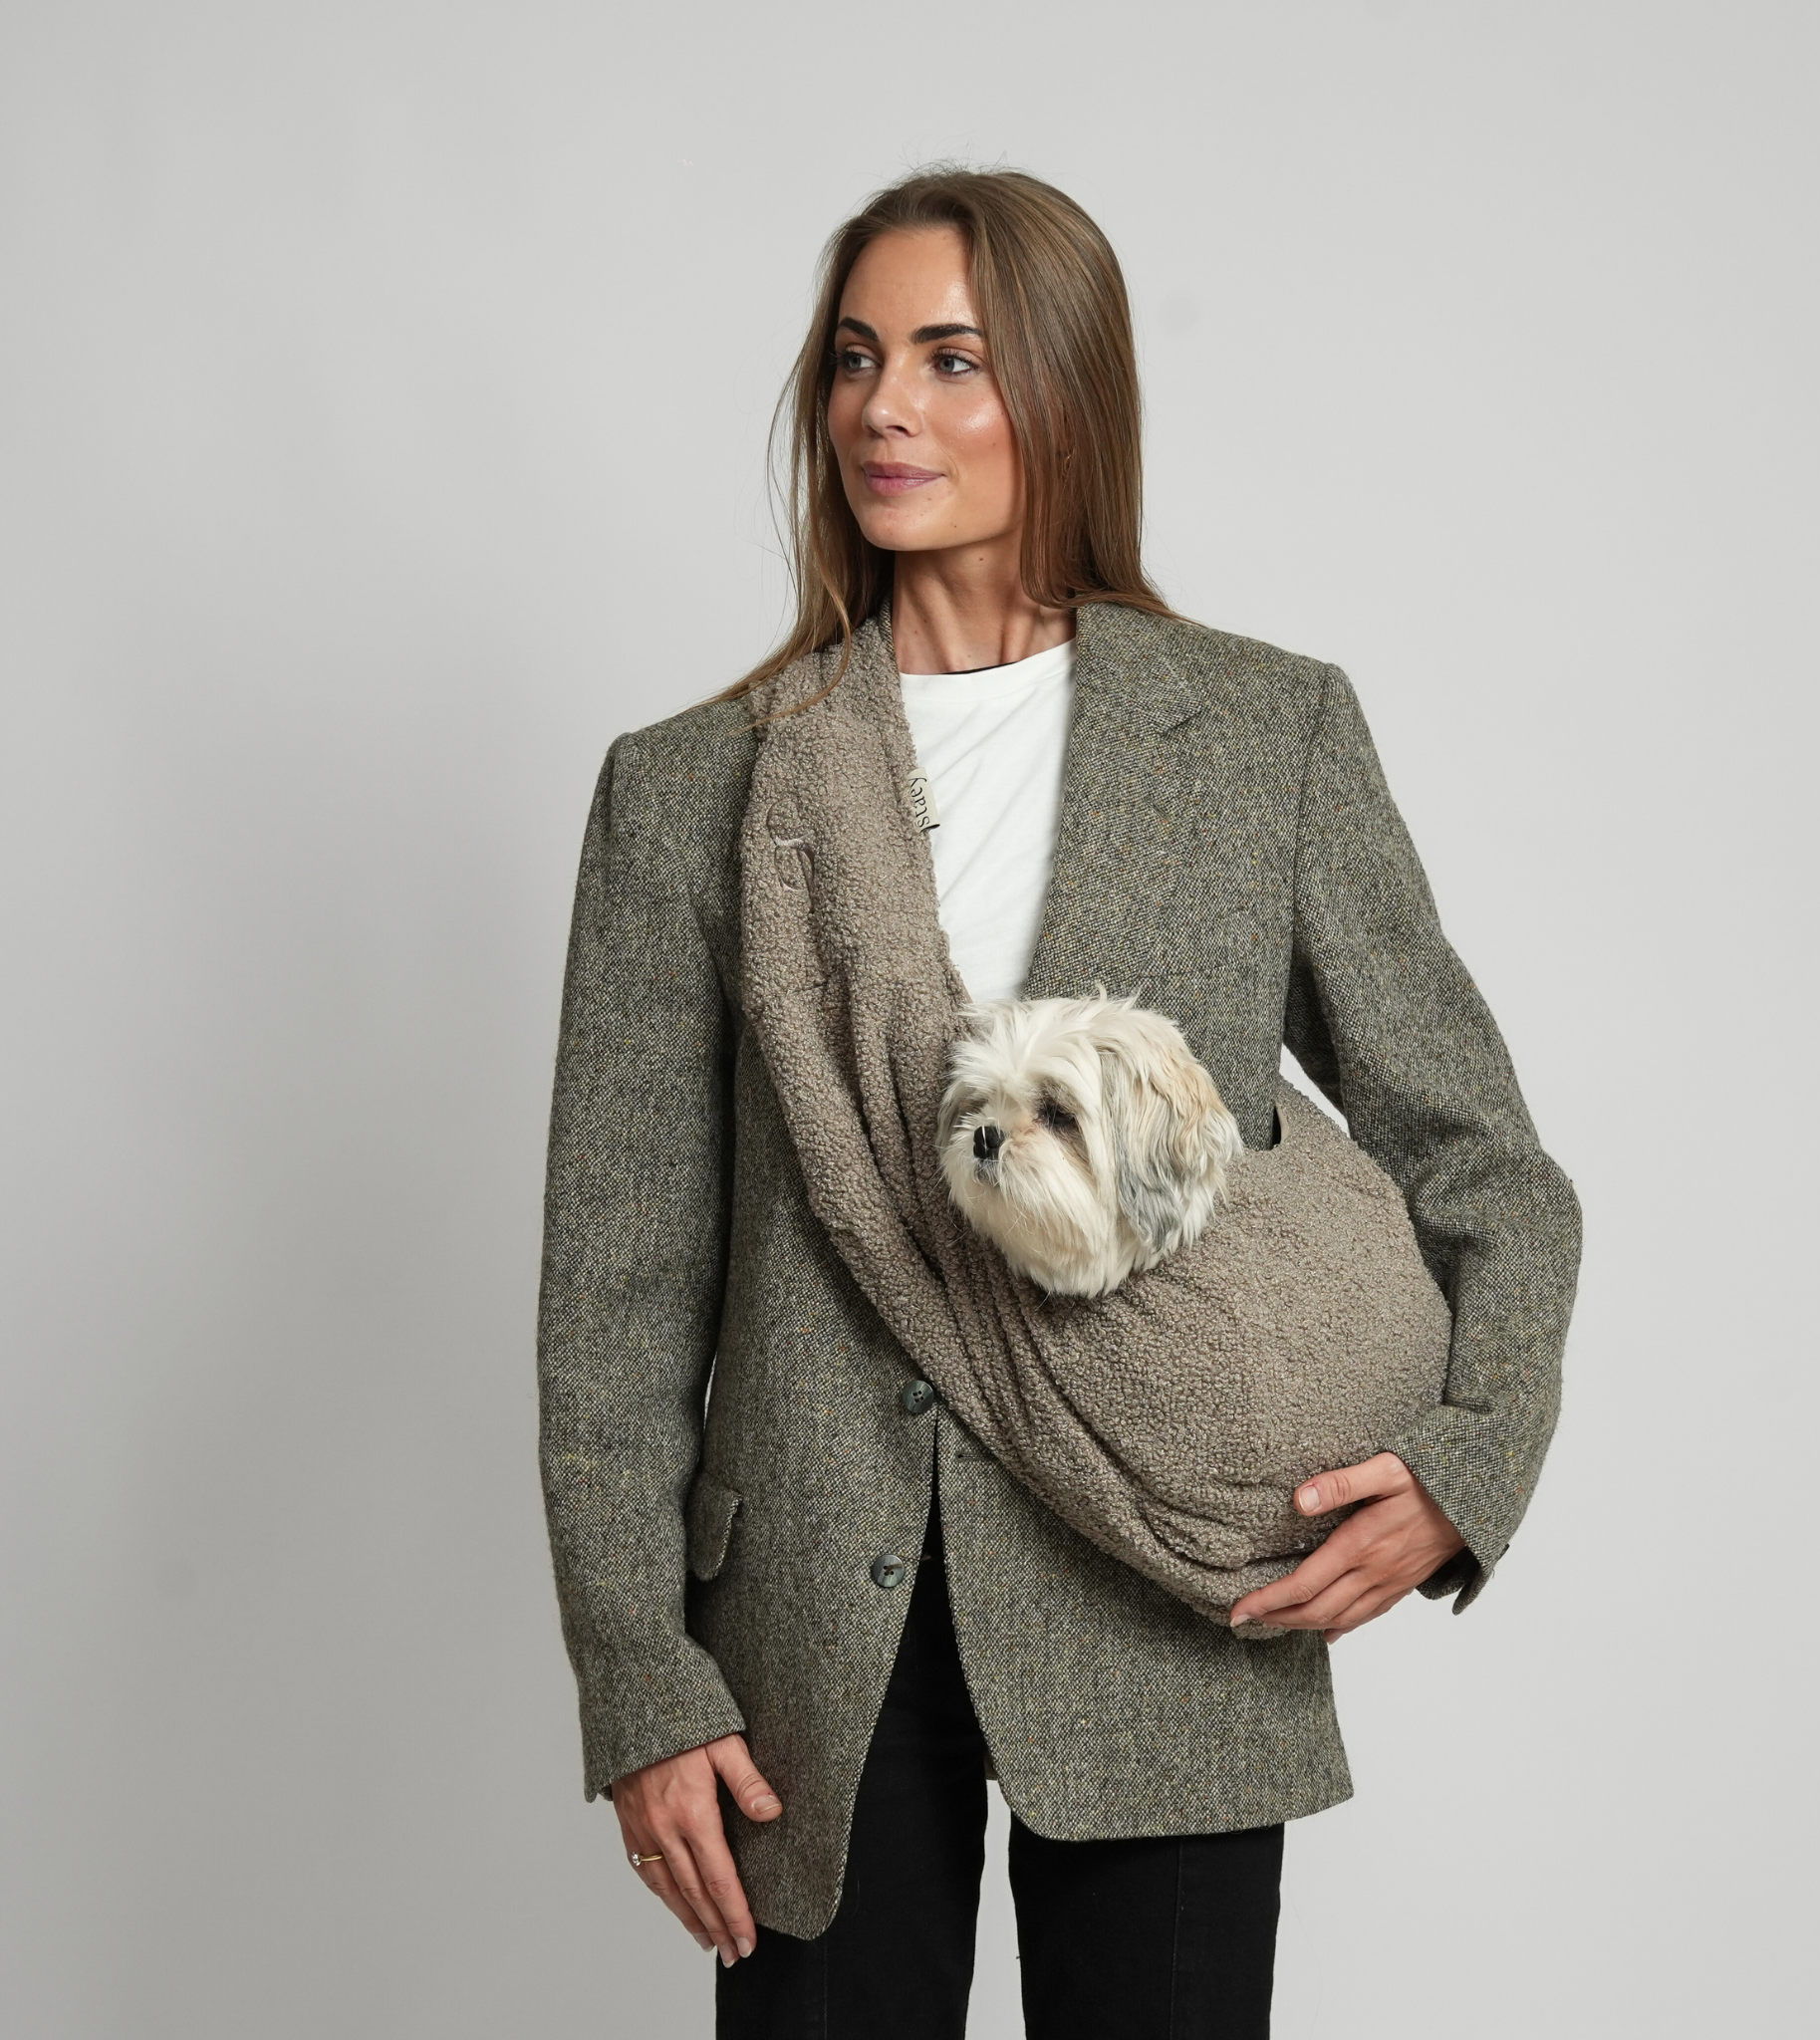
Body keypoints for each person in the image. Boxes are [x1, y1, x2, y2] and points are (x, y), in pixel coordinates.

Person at [537, 166, 1580, 2040]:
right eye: (855, 358)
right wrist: (640, 1679)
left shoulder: (1263, 733)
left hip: (1177, 1603)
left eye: (953, 359)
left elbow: (1480, 1158)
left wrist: (1467, 1466)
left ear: (1069, 397)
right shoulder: (695, 788)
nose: (884, 408)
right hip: (810, 1638)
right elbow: (616, 1293)